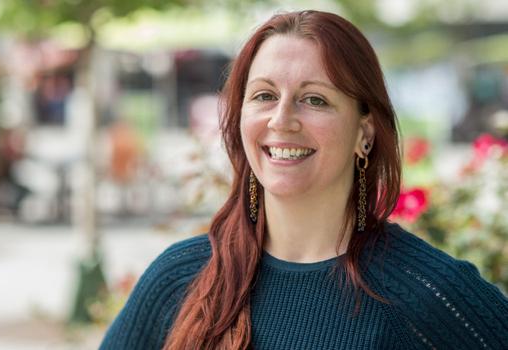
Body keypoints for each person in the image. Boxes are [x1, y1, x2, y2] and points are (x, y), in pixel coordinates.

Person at [100, 10, 508, 350]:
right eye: (263, 95)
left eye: (315, 99)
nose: (282, 120)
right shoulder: (180, 277)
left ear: (364, 133)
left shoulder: (427, 293)